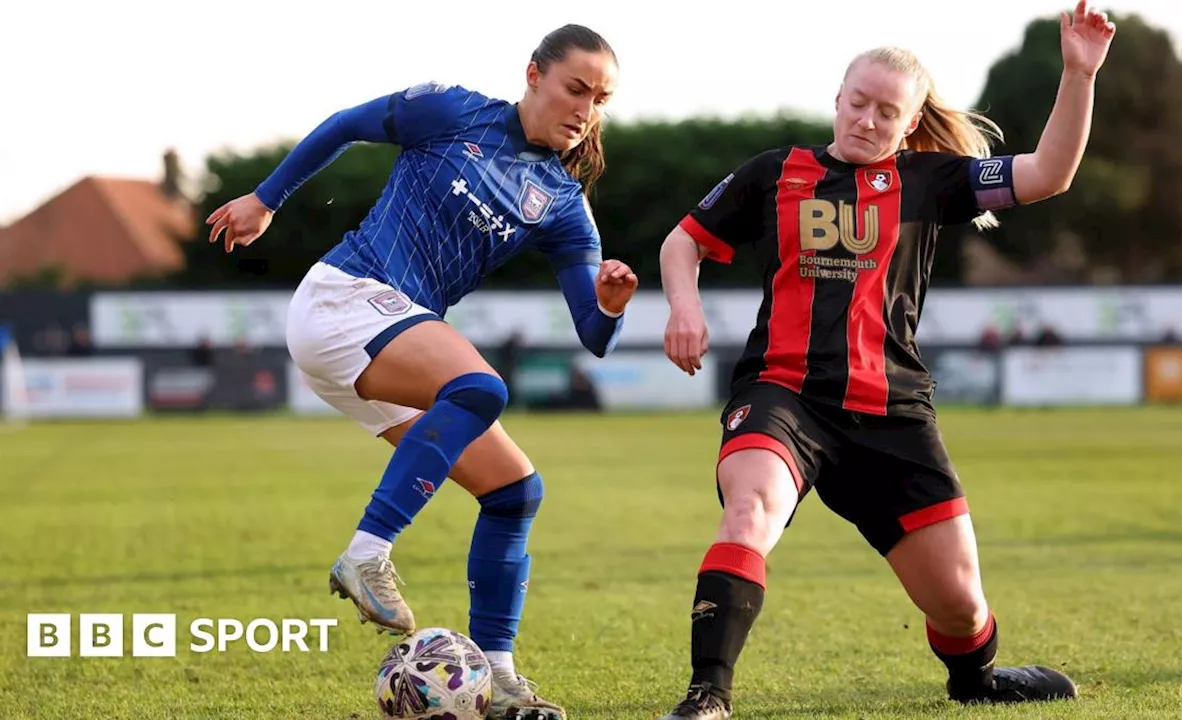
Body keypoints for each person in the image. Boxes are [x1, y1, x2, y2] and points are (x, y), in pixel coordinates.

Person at [656, 3, 1115, 717]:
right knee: (749, 511)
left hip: (891, 412)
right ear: (837, 100)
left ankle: (976, 682)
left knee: (961, 607)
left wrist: (1079, 75)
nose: (867, 120)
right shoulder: (774, 172)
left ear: (909, 124)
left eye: (886, 111)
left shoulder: (932, 180)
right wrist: (684, 305)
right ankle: (707, 695)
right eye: (858, 102)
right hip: (784, 396)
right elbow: (682, 241)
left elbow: (1048, 173)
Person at [206, 24, 636, 720]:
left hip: (376, 346)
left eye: (601, 98)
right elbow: (348, 125)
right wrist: (265, 199)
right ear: (533, 75)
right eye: (575, 88)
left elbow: (593, 333)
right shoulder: (452, 110)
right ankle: (367, 554)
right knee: (479, 389)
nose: (586, 108)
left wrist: (611, 303)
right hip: (345, 297)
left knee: (515, 491)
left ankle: (497, 680)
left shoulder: (563, 204)